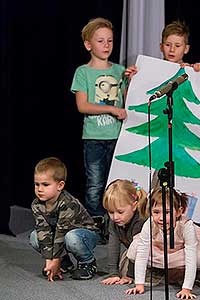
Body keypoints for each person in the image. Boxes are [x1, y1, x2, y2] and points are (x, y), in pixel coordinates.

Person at [70, 17, 127, 241]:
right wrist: (112, 111)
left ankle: (118, 228)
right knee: (95, 184)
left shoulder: (120, 70)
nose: (106, 45)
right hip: (94, 137)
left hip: (118, 137)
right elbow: (82, 105)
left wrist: (132, 80)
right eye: (100, 41)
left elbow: (127, 101)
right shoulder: (83, 72)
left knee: (118, 184)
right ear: (88, 45)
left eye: (110, 41)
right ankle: (95, 226)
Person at [125, 188, 200, 299]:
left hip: (182, 250)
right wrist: (139, 284)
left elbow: (191, 256)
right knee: (137, 246)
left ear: (179, 212)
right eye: (156, 212)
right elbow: (142, 252)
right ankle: (157, 270)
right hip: (161, 247)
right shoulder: (149, 224)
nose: (161, 218)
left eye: (167, 212)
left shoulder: (186, 225)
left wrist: (186, 288)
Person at [30, 157, 99, 281]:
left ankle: (88, 263)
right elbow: (43, 231)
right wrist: (49, 261)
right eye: (37, 184)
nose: (40, 189)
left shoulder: (67, 203)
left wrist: (55, 259)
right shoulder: (36, 204)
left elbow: (61, 232)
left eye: (45, 184)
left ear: (60, 185)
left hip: (84, 235)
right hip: (61, 235)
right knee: (35, 237)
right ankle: (64, 262)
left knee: (71, 238)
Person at [100, 179, 149, 285]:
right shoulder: (114, 222)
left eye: (120, 212)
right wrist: (113, 274)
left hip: (150, 252)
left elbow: (137, 249)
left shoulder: (141, 220)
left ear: (134, 205)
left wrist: (129, 275)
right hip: (134, 252)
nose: (115, 217)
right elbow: (113, 246)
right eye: (111, 212)